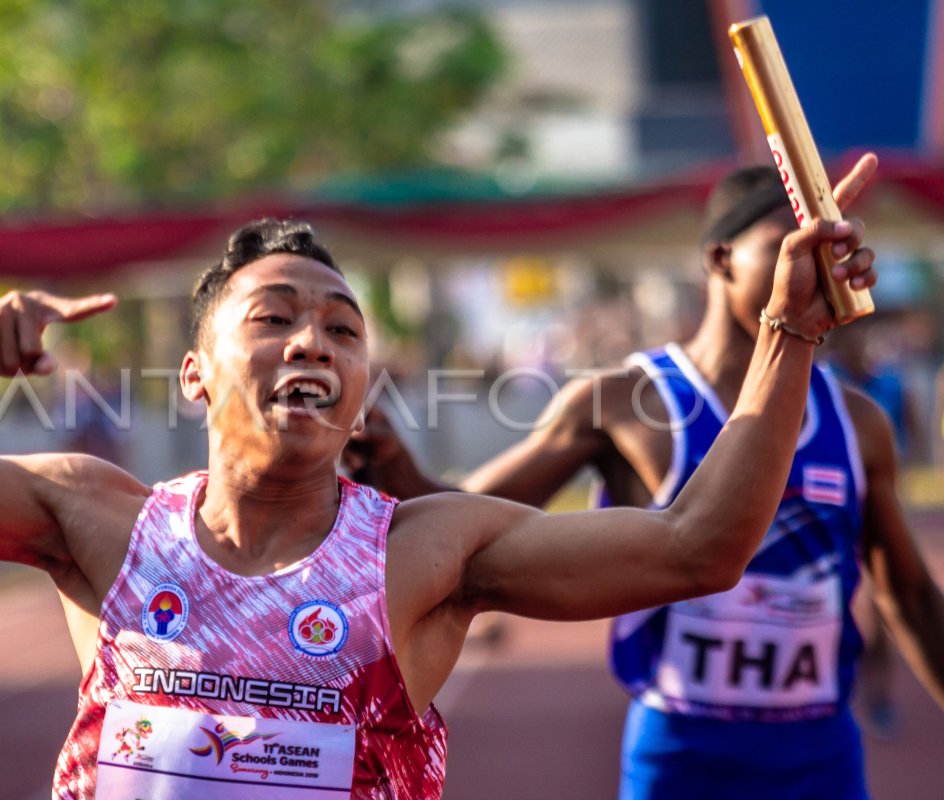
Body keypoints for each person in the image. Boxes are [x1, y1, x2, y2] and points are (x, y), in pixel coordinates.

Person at [0, 200, 876, 799]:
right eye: (274, 317)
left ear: (363, 404)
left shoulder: (430, 551)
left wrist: (791, 334)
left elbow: (699, 546)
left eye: (344, 328)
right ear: (196, 375)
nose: (313, 337)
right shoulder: (102, 523)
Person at [347, 156, 944, 799]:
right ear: (720, 260)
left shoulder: (857, 421)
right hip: (683, 752)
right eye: (781, 248)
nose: (811, 268)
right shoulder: (629, 401)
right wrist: (398, 468)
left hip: (819, 753)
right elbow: (467, 518)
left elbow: (908, 594)